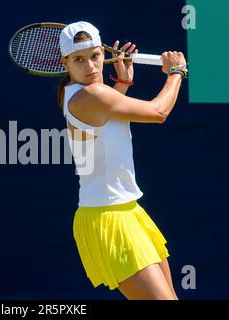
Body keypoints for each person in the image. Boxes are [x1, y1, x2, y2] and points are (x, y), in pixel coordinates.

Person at [57, 21, 187, 300]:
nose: (91, 66)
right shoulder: (92, 94)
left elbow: (106, 117)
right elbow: (158, 112)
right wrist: (176, 72)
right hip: (108, 219)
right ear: (64, 62)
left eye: (95, 55)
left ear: (104, 54)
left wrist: (124, 82)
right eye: (79, 59)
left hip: (129, 211)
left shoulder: (85, 94)